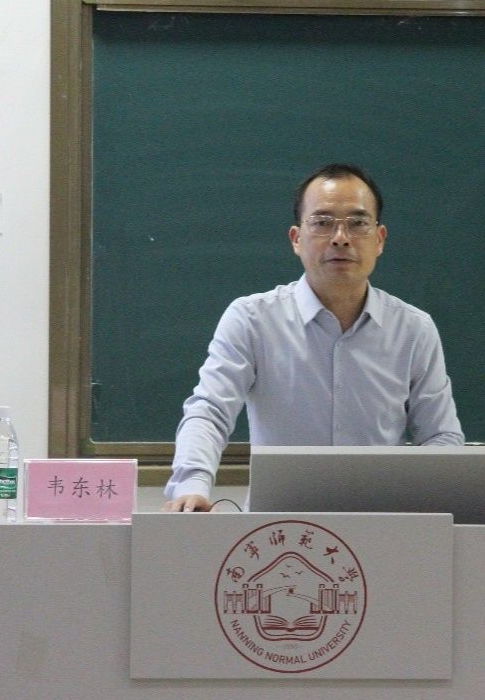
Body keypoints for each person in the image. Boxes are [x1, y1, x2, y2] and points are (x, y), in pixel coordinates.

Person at [162, 163, 464, 512]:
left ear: (380, 239)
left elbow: (440, 436)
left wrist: (427, 501)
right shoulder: (252, 319)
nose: (340, 237)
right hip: (276, 527)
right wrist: (192, 484)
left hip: (383, 525)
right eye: (322, 223)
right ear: (296, 239)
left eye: (357, 223)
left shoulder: (413, 329)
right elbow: (210, 411)